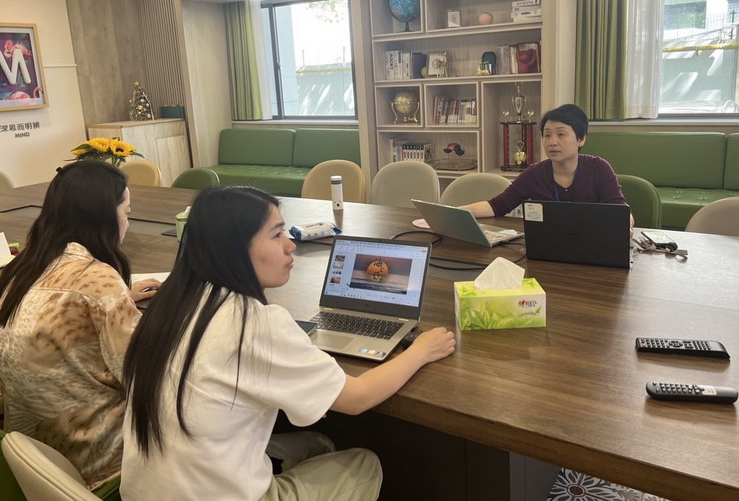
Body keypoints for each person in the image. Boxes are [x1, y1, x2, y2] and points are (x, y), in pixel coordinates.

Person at [121, 186, 456, 501]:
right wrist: (420, 351)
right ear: (235, 248)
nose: (290, 245)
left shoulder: (171, 306)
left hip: (148, 491)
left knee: (318, 444)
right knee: (363, 463)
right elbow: (358, 398)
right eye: (276, 234)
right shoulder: (252, 323)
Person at [0, 161, 160, 489]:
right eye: (126, 212)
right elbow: (144, 376)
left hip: (34, 451)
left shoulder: (24, 266)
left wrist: (120, 296)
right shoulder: (97, 279)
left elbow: (65, 311)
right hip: (98, 459)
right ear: (103, 216)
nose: (128, 221)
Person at [463, 104, 629, 219]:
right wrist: (456, 213)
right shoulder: (535, 174)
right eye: (547, 135)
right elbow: (497, 206)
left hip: (591, 246)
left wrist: (626, 225)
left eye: (561, 134)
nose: (552, 142)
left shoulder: (598, 168)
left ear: (581, 139)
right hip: (548, 247)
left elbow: (622, 212)